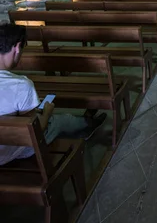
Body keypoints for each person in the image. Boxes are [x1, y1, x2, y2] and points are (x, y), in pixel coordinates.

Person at [0, 23, 106, 166]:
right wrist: (47, 113)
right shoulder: (21, 85)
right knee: (55, 121)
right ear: (17, 47)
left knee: (38, 115)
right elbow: (34, 132)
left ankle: (83, 124)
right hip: (11, 152)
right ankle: (87, 125)